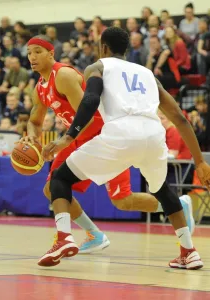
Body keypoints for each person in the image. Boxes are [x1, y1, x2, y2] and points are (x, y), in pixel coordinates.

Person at [41, 27, 210, 269]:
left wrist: (67, 137)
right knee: (163, 190)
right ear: (126, 49)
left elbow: (90, 100)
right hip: (153, 135)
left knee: (59, 179)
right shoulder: (147, 73)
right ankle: (189, 251)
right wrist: (200, 161)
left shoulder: (97, 67)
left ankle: (64, 238)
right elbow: (180, 118)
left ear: (104, 47)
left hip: (120, 133)